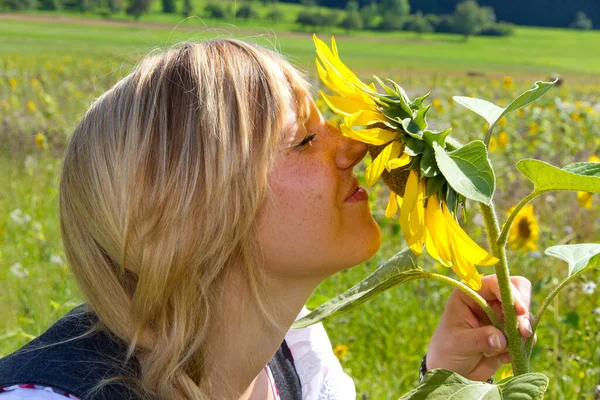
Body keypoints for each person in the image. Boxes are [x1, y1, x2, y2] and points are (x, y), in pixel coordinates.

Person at [0, 39, 534, 400]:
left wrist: (444, 378)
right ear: (192, 208)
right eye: (304, 140)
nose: (354, 147)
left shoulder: (295, 352)